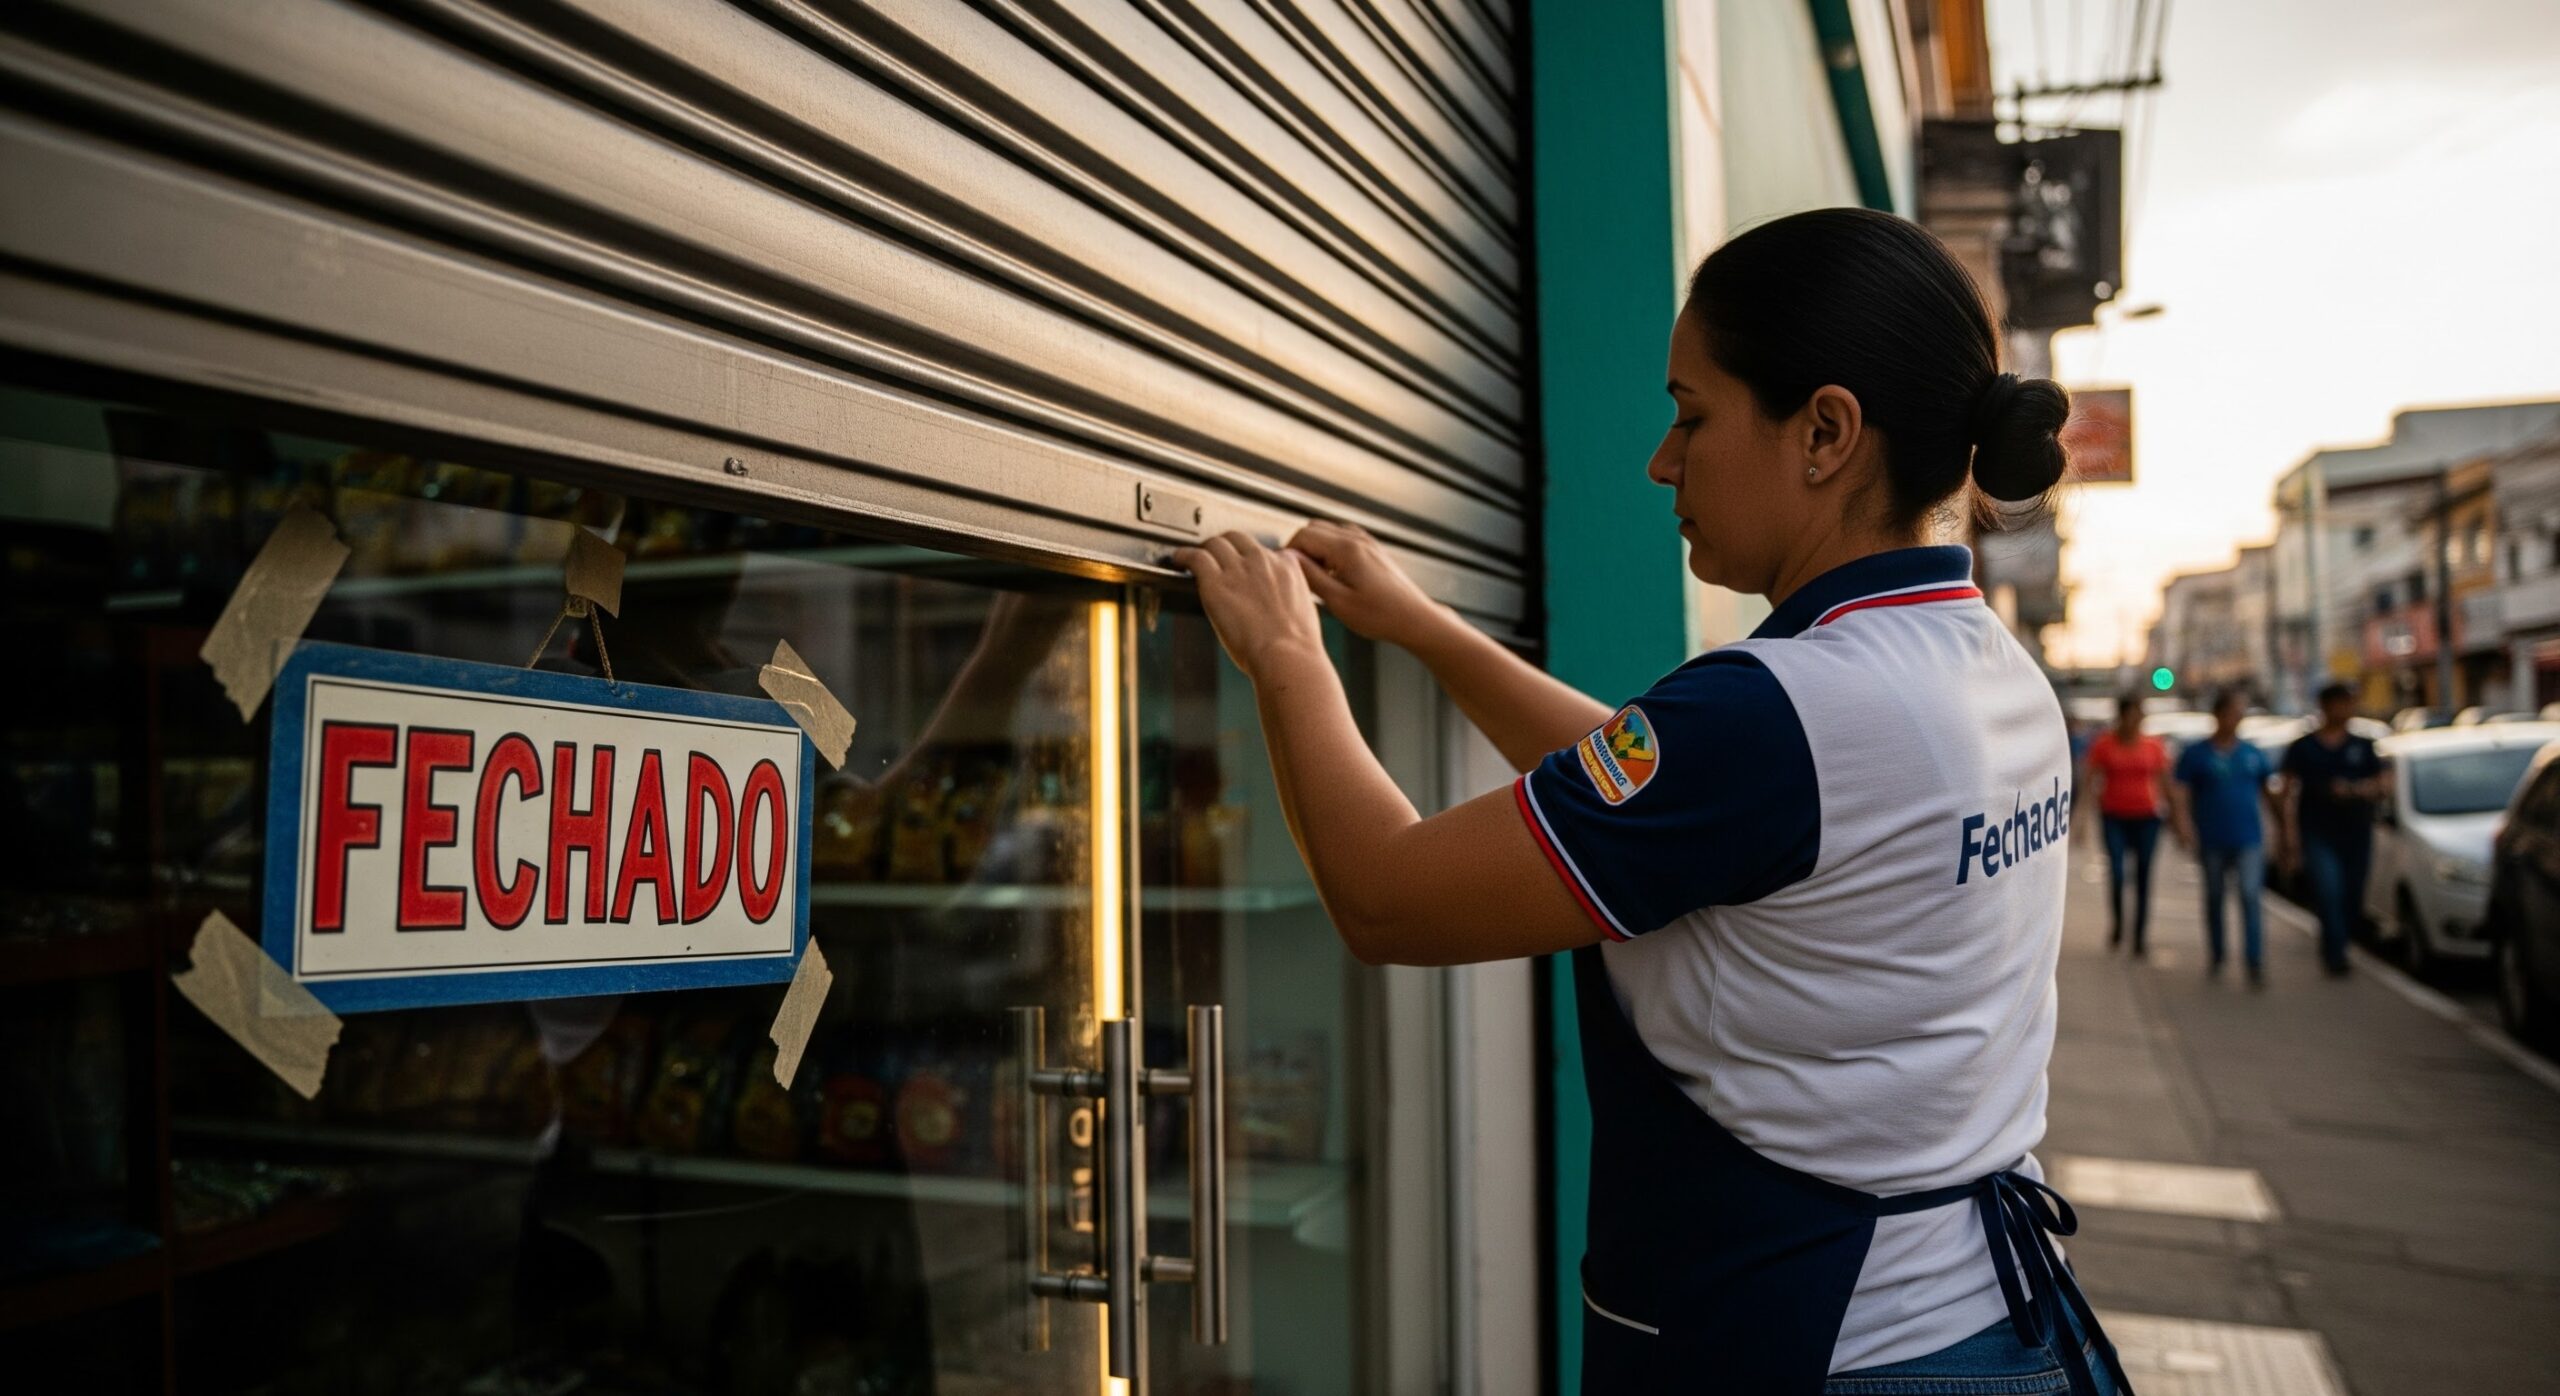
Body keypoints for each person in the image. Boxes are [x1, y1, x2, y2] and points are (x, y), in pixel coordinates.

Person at [1172, 208, 2125, 1396]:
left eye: (1690, 414)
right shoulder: (1983, 673)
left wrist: (1286, 658)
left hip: (1813, 1349)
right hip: (1992, 1331)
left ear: (1824, 431)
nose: (1660, 462)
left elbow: (1386, 899)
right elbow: (1676, 809)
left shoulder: (1785, 711)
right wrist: (1420, 625)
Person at [2170, 691, 2282, 985]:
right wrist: (2183, 826)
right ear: (2218, 715)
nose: (2236, 719)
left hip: (2248, 838)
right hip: (2211, 838)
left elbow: (2269, 793)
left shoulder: (2251, 754)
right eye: (2232, 713)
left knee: (2249, 894)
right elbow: (2180, 794)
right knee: (2215, 896)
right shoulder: (2196, 754)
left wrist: (2284, 830)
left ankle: (2254, 960)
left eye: (2240, 714)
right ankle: (2218, 954)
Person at [2280, 682, 2385, 977]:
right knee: (2328, 891)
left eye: (2349, 703)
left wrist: (2356, 789)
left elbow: (2383, 784)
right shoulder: (2304, 747)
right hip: (2317, 832)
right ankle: (2335, 954)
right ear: (2325, 707)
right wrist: (2287, 834)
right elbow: (2286, 790)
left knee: (2351, 897)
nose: (2346, 709)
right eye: (2341, 703)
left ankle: (2336, 943)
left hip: (2356, 833)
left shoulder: (2362, 746)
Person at [2081, 695, 2171, 956]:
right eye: (2128, 715)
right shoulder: (2104, 745)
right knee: (2118, 872)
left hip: (2147, 818)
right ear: (2121, 717)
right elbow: (2089, 781)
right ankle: (2119, 924)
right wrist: (2081, 820)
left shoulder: (2153, 746)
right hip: (2114, 817)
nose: (2133, 722)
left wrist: (2179, 822)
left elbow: (2166, 783)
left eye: (2137, 716)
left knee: (2144, 874)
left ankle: (2140, 936)